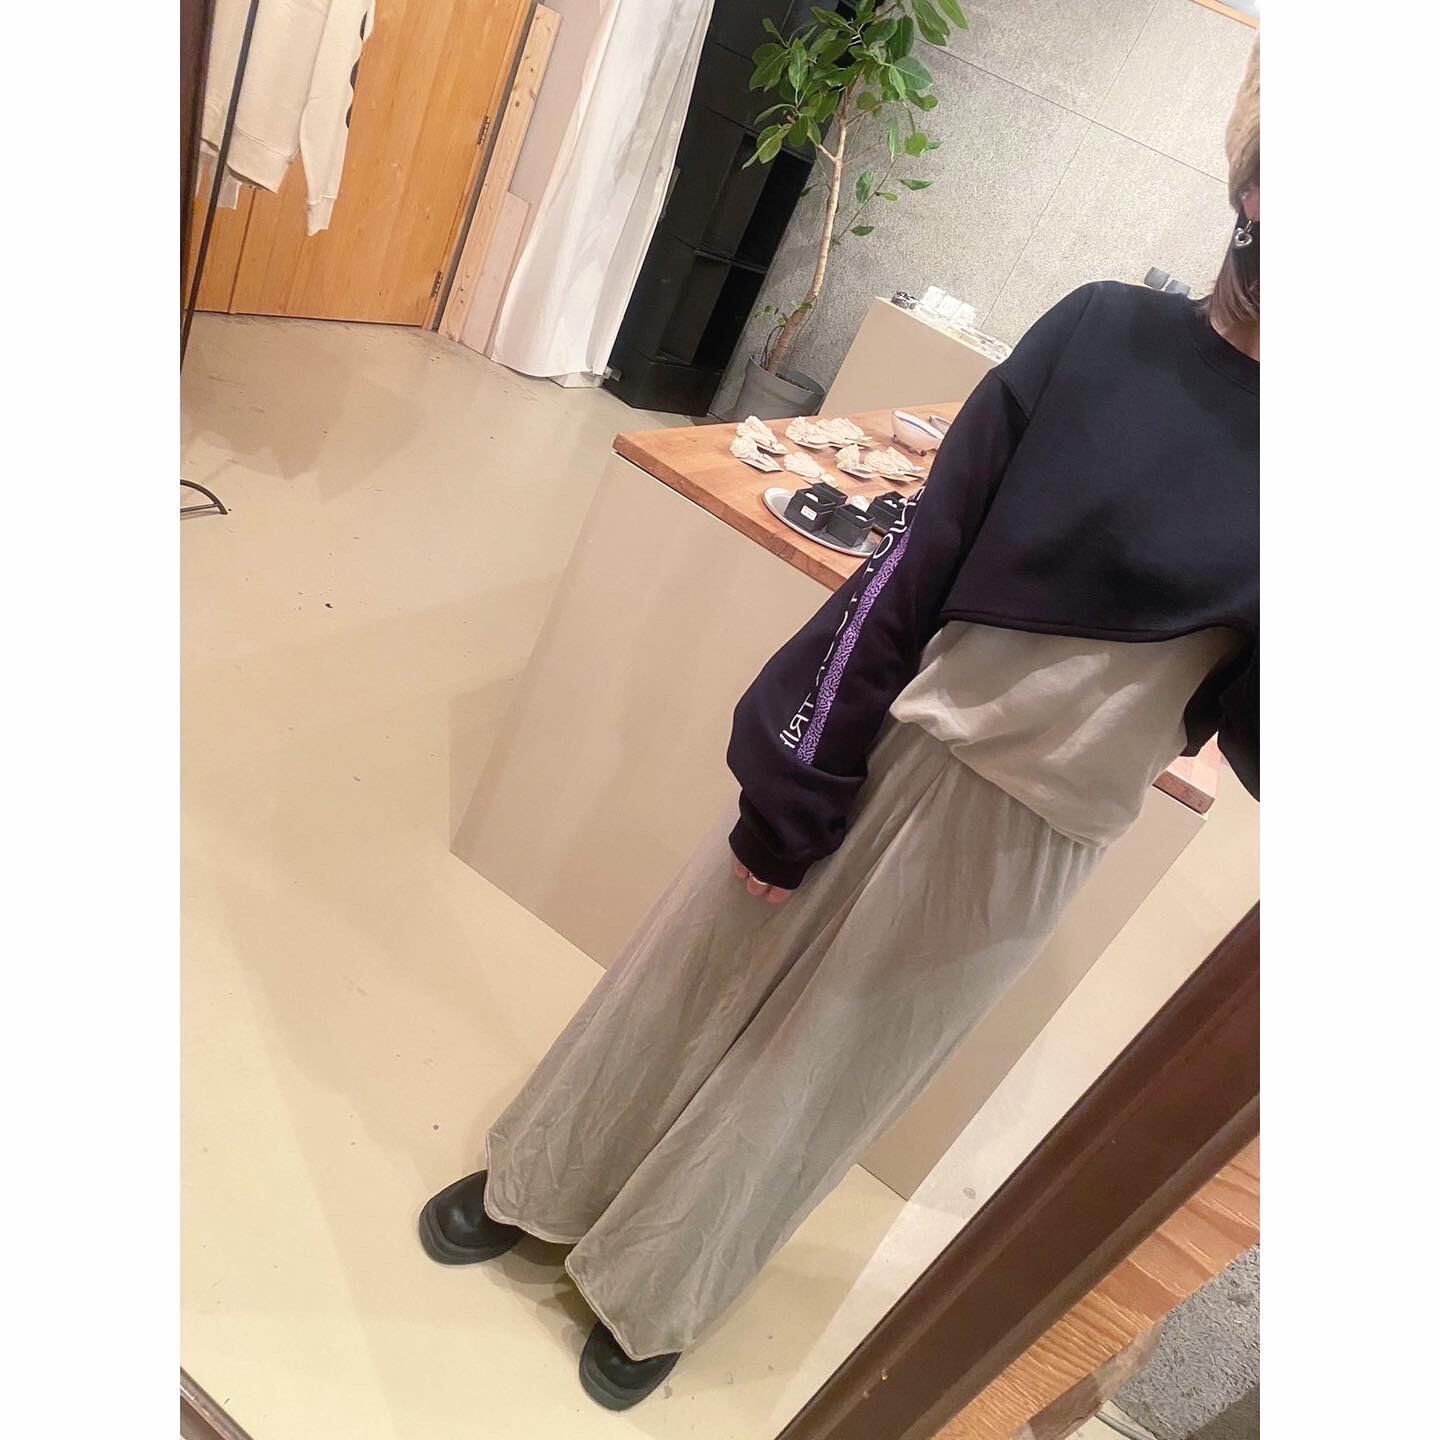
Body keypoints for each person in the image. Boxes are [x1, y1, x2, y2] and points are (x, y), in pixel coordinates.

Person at [419, 42, 1261, 1416]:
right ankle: (541, 1185)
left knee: (821, 1078)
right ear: (1250, 184)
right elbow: (916, 559)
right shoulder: (1106, 334)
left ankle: (656, 1285)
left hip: (1039, 831)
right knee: (693, 967)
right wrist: (798, 780)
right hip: (897, 739)